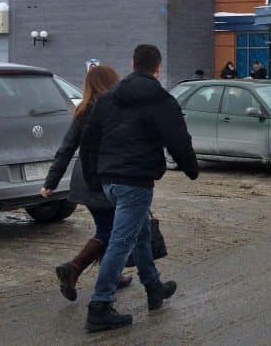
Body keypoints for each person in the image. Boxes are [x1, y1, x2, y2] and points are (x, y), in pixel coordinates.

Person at [79, 44, 200, 333]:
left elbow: (89, 141)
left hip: (109, 180)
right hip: (134, 182)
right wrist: (191, 169)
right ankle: (99, 305)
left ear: (133, 65)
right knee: (121, 241)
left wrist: (94, 178)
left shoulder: (108, 100)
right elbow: (178, 139)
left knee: (141, 233)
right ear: (157, 68)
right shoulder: (160, 100)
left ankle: (153, 287)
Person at [41, 65, 133, 301]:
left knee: (109, 228)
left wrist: (50, 182)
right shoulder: (113, 111)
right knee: (111, 230)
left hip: (84, 181)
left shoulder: (82, 111)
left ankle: (111, 273)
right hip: (105, 180)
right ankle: (73, 268)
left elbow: (66, 148)